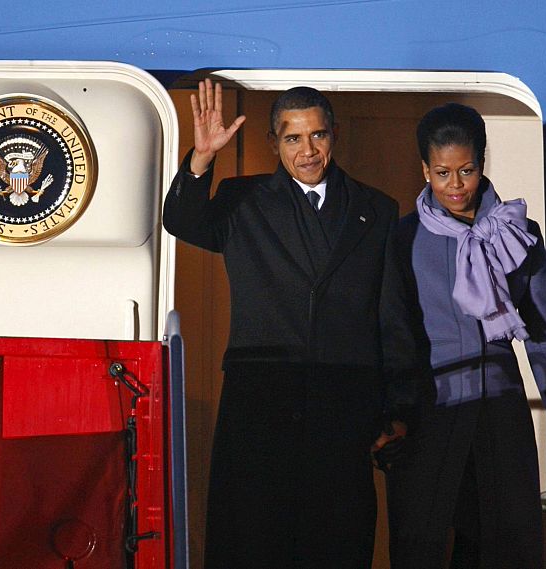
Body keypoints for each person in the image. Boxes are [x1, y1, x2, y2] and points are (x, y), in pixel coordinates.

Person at [163, 79, 418, 569]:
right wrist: (201, 159)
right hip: (261, 410)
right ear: (273, 142)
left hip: (343, 413)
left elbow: (391, 317)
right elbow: (183, 220)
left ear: (334, 135)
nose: (308, 151)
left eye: (317, 136)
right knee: (255, 542)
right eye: (293, 139)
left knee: (336, 542)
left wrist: (398, 407)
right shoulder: (242, 200)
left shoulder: (376, 209)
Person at [386, 102, 546, 568]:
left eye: (467, 170)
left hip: (501, 412)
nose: (456, 186)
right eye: (442, 173)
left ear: (483, 163)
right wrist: (392, 415)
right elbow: (393, 333)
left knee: (509, 549)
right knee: (423, 546)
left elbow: (545, 338)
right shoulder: (402, 239)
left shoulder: (519, 234)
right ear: (424, 169)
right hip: (432, 413)